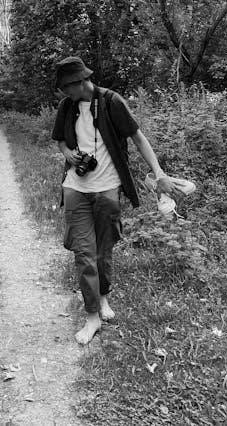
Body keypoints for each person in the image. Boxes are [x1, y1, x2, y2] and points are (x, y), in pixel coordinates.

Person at [51, 56, 188, 345]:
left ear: (79, 82)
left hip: (108, 189)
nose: (64, 93)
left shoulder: (111, 102)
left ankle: (103, 297)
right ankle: (92, 317)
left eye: (66, 87)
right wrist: (68, 154)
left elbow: (138, 138)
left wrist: (159, 174)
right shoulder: (67, 107)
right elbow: (60, 140)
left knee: (103, 250)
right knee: (84, 254)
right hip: (75, 187)